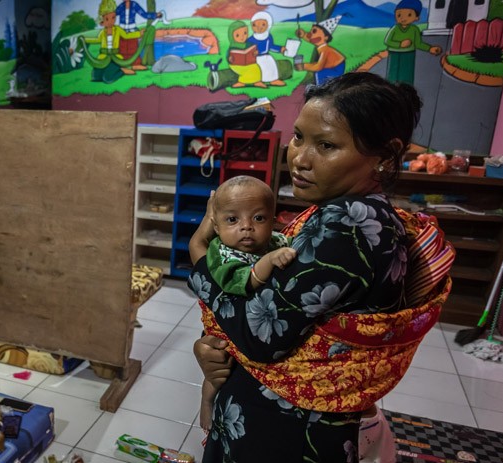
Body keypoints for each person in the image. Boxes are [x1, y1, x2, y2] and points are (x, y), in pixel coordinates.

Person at [189, 72, 455, 462]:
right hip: (291, 416)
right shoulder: (351, 213)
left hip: (290, 428)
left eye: (326, 145)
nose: (300, 158)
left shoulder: (349, 226)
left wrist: (199, 256)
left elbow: (260, 337)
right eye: (298, 137)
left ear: (384, 155)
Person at [194, 175, 296, 432]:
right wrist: (270, 261)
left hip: (258, 344)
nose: (247, 227)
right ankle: (206, 401)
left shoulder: (276, 241)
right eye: (232, 219)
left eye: (259, 218)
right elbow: (240, 282)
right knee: (218, 374)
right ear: (216, 227)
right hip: (223, 335)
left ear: (273, 221)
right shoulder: (221, 252)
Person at [384, 0, 441, 85]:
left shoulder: (414, 29)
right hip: (394, 54)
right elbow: (387, 41)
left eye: (409, 15)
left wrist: (430, 48)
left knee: (406, 75)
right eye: (399, 15)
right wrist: (400, 44)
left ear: (417, 17)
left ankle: (406, 92)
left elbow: (418, 44)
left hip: (409, 54)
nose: (403, 18)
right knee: (392, 75)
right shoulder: (395, 28)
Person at [295, 16, 345, 85]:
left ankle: (321, 90)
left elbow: (318, 67)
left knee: (319, 73)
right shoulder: (321, 48)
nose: (310, 35)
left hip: (337, 69)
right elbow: (311, 38)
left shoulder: (325, 50)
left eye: (314, 32)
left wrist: (304, 66)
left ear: (326, 37)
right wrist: (303, 35)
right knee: (318, 69)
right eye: (311, 31)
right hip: (332, 66)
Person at [114, 0, 161, 71]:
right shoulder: (121, 6)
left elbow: (144, 14)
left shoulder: (134, 5)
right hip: (122, 32)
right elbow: (113, 14)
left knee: (133, 48)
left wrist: (155, 15)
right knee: (122, 49)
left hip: (132, 31)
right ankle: (123, 65)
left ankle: (135, 65)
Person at [249, 12, 286, 86]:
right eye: (255, 25)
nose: (259, 27)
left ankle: (273, 80)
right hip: (256, 58)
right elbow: (247, 49)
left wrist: (280, 49)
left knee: (271, 65)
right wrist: (253, 53)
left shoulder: (268, 37)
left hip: (266, 56)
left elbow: (271, 46)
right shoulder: (251, 39)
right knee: (257, 68)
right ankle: (257, 81)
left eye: (263, 24)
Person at [227, 21, 265, 88]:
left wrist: (255, 52)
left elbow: (255, 51)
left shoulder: (249, 44)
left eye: (245, 33)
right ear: (231, 36)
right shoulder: (232, 46)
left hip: (250, 63)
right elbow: (228, 56)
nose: (242, 37)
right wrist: (229, 58)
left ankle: (257, 81)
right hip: (236, 65)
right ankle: (241, 82)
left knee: (256, 68)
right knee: (245, 70)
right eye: (237, 35)